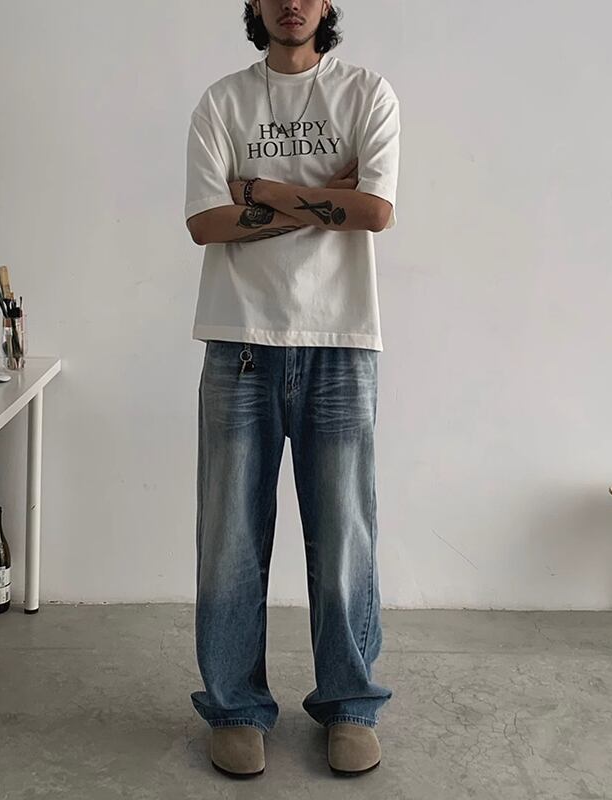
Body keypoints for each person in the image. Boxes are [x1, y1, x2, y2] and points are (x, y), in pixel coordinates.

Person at [184, 0, 400, 779]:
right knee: (230, 541)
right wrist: (322, 202)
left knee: (344, 536)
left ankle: (350, 704)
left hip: (341, 341)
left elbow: (375, 211)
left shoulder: (366, 94)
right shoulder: (223, 101)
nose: (291, 3)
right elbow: (206, 224)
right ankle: (236, 708)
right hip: (239, 341)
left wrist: (262, 190)